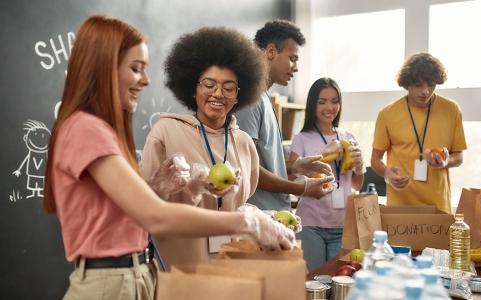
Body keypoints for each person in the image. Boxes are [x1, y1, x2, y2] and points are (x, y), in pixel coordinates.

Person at [43, 15, 295, 300]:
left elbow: (122, 213)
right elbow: (156, 217)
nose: (146, 80)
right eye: (136, 68)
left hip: (130, 276)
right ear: (104, 66)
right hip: (112, 281)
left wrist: (155, 188)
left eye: (229, 87)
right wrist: (248, 223)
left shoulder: (99, 128)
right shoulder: (86, 128)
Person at [141, 26, 280, 270]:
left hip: (231, 266)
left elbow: (241, 203)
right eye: (209, 84)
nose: (218, 93)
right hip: (180, 268)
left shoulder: (245, 143)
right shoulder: (165, 132)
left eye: (229, 88)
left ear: (239, 96)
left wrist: (265, 219)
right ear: (193, 89)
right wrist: (194, 187)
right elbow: (147, 204)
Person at [234, 19, 334, 212]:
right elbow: (246, 168)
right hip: (258, 216)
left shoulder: (264, 99)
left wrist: (295, 166)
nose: (295, 67)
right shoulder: (250, 100)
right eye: (293, 58)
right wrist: (300, 188)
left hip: (273, 215)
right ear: (271, 51)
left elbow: (264, 162)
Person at [371, 52, 467, 214]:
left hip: (438, 206)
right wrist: (387, 173)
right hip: (400, 206)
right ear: (407, 84)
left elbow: (458, 157)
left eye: (431, 84)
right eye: (418, 85)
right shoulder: (387, 114)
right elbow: (375, 158)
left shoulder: (452, 110)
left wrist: (446, 161)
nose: (426, 91)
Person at [288, 78, 365, 271]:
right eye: (322, 102)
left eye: (334, 101)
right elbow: (291, 180)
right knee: (316, 280)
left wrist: (359, 166)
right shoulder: (301, 139)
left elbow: (357, 185)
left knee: (341, 279)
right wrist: (323, 152)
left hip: (343, 224)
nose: (329, 107)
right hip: (310, 223)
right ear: (312, 104)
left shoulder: (348, 137)